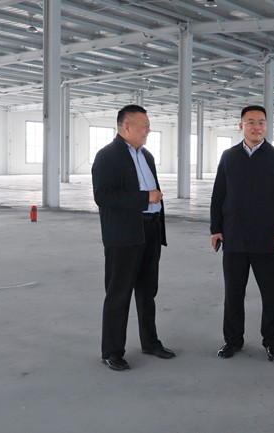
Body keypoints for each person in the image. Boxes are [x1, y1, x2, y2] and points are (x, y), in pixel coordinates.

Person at [92, 104, 175, 371]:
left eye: (148, 125)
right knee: (119, 293)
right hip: (124, 233)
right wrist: (145, 197)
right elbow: (103, 196)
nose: (148, 130)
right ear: (126, 126)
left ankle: (150, 343)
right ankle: (112, 351)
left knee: (147, 291)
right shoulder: (107, 156)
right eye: (144, 125)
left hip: (150, 230)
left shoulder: (146, 156)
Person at [210, 105, 274, 362]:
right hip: (234, 236)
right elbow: (218, 195)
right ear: (241, 126)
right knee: (233, 294)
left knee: (272, 294)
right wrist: (216, 229)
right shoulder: (229, 156)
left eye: (261, 122)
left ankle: (272, 341)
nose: (256, 127)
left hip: (267, 238)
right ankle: (232, 340)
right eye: (251, 122)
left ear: (266, 126)